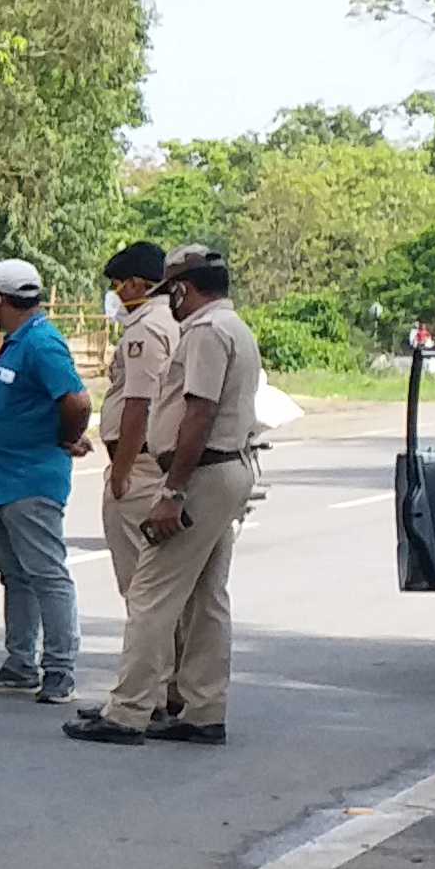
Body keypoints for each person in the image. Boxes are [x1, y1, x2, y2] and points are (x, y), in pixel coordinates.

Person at [71, 242, 264, 748]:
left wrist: (172, 490)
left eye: (171, 291)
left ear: (182, 287)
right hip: (230, 469)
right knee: (206, 598)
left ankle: (129, 710)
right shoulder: (235, 327)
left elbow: (197, 413)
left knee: (151, 594)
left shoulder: (204, 332)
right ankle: (203, 709)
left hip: (199, 474)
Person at [0, 258, 89, 703]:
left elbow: (76, 400)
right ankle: (20, 663)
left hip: (29, 479)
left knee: (46, 573)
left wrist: (67, 437)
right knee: (16, 573)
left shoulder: (42, 344)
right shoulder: (20, 343)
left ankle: (59, 668)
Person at [94, 238, 176, 600]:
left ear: (139, 285)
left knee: (140, 586)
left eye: (120, 284)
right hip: (155, 462)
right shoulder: (176, 319)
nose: (117, 293)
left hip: (140, 466)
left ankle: (153, 658)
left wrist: (121, 474)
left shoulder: (146, 327)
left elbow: (138, 405)